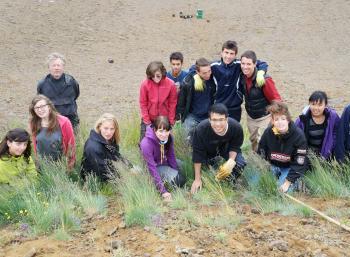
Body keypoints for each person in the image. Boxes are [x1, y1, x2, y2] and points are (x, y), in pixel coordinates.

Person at [191, 103, 246, 194]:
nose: (218, 124)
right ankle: (213, 178)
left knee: (240, 163)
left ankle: (228, 183)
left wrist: (231, 161)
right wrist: (197, 179)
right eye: (214, 120)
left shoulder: (236, 127)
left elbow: (235, 146)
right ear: (209, 120)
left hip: (226, 151)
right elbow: (197, 154)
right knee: (208, 169)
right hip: (208, 153)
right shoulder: (201, 129)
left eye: (221, 120)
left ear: (227, 119)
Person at [211, 40, 268, 122]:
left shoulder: (239, 64)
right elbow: (196, 66)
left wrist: (261, 72)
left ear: (235, 55)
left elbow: (262, 63)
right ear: (221, 53)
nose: (228, 56)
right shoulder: (214, 66)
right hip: (218, 106)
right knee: (218, 132)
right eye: (226, 52)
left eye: (231, 53)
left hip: (235, 108)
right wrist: (195, 75)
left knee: (233, 132)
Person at [258, 102, 308, 192]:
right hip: (273, 165)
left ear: (288, 120)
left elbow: (300, 163)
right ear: (272, 121)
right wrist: (264, 167)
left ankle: (296, 182)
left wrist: (287, 182)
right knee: (258, 186)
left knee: (283, 192)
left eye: (283, 119)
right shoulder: (268, 133)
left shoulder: (299, 136)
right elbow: (261, 152)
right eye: (276, 119)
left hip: (289, 168)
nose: (280, 122)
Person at [240, 50, 282, 151]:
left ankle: (269, 162)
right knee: (254, 141)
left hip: (265, 116)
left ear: (255, 64)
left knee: (263, 141)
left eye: (249, 64)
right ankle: (258, 162)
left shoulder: (265, 80)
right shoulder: (242, 75)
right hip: (251, 117)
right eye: (243, 63)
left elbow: (277, 100)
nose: (245, 67)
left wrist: (274, 119)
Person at [140, 116, 186, 201]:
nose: (164, 135)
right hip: (153, 167)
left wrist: (175, 172)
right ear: (154, 129)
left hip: (163, 162)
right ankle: (160, 185)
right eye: (160, 131)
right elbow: (151, 168)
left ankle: (171, 179)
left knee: (184, 167)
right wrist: (163, 192)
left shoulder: (169, 138)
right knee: (180, 180)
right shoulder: (146, 144)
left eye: (166, 131)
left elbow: (171, 156)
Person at [29, 94, 76, 169]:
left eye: (42, 106)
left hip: (60, 165)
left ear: (49, 106)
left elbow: (71, 144)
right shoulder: (33, 122)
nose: (40, 110)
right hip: (42, 165)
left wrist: (70, 164)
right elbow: (36, 145)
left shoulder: (64, 122)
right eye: (37, 108)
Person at [81, 113, 131, 182]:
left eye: (112, 129)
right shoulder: (93, 147)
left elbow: (116, 156)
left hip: (108, 171)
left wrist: (130, 167)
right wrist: (124, 176)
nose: (109, 132)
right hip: (95, 180)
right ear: (99, 126)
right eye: (106, 128)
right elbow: (102, 171)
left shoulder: (107, 139)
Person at [37, 52, 80, 130]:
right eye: (53, 65)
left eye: (59, 65)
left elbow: (76, 95)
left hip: (71, 121)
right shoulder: (42, 84)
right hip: (51, 121)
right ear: (49, 67)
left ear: (63, 67)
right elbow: (39, 102)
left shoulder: (71, 82)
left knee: (72, 142)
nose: (56, 68)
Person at [176, 58, 216, 140]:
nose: (208, 74)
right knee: (185, 139)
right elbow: (181, 102)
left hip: (208, 116)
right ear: (197, 72)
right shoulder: (188, 82)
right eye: (204, 73)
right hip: (192, 116)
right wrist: (178, 117)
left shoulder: (213, 79)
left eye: (209, 71)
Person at [295, 91, 340, 160]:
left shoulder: (332, 116)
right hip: (308, 155)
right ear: (309, 104)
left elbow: (337, 132)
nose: (316, 108)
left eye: (320, 105)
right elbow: (294, 134)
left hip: (327, 154)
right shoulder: (302, 118)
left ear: (325, 105)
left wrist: (331, 146)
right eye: (313, 104)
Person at [139, 61, 178, 140]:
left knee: (166, 144)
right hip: (149, 118)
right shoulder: (144, 84)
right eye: (152, 76)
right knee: (144, 143)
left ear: (162, 73)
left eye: (157, 76)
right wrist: (147, 122)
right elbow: (143, 103)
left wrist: (170, 122)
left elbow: (172, 104)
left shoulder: (171, 84)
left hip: (164, 119)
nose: (155, 79)